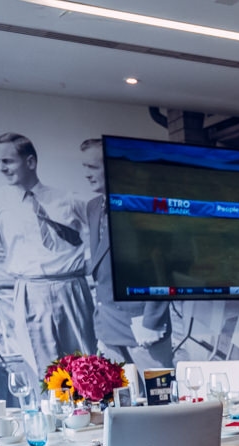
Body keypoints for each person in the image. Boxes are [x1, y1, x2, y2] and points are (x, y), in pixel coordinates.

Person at [0, 133, 95, 374]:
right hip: (30, 292)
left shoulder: (67, 199)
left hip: (72, 289)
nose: (2, 168)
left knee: (85, 368)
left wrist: (90, 263)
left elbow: (103, 233)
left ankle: (90, 411)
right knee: (47, 373)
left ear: (30, 162)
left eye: (8, 161)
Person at [78, 137, 173, 369]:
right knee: (117, 398)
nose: (87, 174)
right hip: (107, 325)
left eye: (92, 167)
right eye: (84, 167)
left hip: (142, 325)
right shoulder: (93, 207)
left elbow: (162, 268)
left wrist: (151, 322)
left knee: (160, 396)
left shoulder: (143, 207)